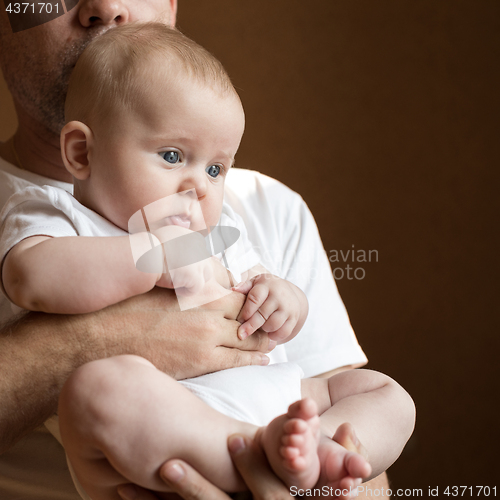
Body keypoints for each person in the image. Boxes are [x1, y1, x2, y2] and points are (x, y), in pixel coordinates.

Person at [0, 22, 415, 500]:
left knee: (387, 396)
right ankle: (245, 459)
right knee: (97, 392)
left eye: (216, 168)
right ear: (81, 151)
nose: (199, 186)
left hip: (281, 406)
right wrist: (154, 259)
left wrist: (284, 299)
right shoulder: (54, 213)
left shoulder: (226, 224)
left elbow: (260, 289)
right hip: (180, 420)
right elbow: (31, 276)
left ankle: (321, 452)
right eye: (173, 155)